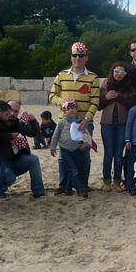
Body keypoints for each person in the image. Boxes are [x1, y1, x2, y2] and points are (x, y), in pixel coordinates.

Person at [49, 42, 99, 191]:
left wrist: (87, 119)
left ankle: (83, 185)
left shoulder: (93, 77)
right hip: (64, 122)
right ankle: (63, 185)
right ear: (71, 57)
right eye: (74, 55)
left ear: (86, 58)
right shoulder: (61, 75)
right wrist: (62, 102)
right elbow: (52, 95)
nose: (77, 58)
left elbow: (95, 101)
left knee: (84, 154)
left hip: (84, 122)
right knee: (63, 155)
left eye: (81, 55)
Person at [99, 62, 136, 192]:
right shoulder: (105, 86)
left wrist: (119, 97)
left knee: (118, 154)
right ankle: (106, 181)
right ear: (112, 71)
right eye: (116, 71)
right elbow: (99, 105)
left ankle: (117, 181)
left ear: (125, 75)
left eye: (122, 73)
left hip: (122, 123)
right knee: (108, 154)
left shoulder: (130, 88)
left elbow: (132, 104)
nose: (118, 75)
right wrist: (107, 98)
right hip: (107, 123)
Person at [2, 100, 45, 198]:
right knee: (10, 178)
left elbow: (34, 133)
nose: (13, 113)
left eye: (16, 111)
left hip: (17, 159)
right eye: (11, 110)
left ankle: (38, 191)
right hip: (2, 161)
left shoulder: (20, 124)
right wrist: (7, 140)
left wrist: (33, 121)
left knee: (34, 159)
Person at [50, 99, 91, 198]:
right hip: (65, 150)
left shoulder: (81, 122)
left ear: (77, 109)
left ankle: (68, 189)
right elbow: (56, 135)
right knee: (73, 171)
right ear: (64, 111)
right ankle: (79, 190)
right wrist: (53, 147)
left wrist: (85, 145)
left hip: (77, 150)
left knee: (72, 171)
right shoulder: (62, 123)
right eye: (68, 109)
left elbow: (87, 135)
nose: (71, 111)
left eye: (73, 108)